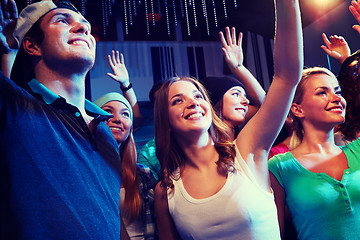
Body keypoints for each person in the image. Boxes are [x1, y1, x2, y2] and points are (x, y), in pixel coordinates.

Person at [154, 0, 303, 238]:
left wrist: (287, 4)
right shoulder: (166, 191)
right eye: (177, 100)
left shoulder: (246, 150)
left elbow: (286, 76)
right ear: (166, 123)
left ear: (209, 109)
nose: (192, 102)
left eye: (197, 95)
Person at [0, 0, 122, 238]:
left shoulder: (105, 130)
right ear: (32, 45)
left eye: (85, 24)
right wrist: (5, 55)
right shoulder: (18, 109)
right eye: (63, 20)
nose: (82, 28)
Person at [268, 66, 360, 239]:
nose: (336, 98)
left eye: (338, 91)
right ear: (297, 109)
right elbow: (275, 234)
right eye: (322, 92)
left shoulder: (358, 150)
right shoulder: (279, 167)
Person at [94, 92, 157, 240]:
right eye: (108, 111)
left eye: (125, 114)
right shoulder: (82, 173)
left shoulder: (144, 174)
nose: (117, 119)